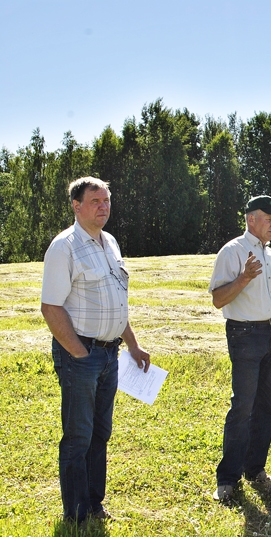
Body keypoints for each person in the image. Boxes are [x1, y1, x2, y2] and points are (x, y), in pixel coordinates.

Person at [41, 177, 151, 523]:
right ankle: (75, 514)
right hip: (83, 356)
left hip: (111, 353)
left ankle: (94, 503)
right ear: (76, 206)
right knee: (78, 436)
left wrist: (132, 344)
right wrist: (79, 353)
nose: (103, 207)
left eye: (106, 201)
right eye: (95, 201)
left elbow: (116, 301)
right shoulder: (65, 247)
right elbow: (51, 307)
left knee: (101, 432)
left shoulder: (111, 243)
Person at [209, 195, 271, 502]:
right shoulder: (232, 252)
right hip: (244, 334)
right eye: (269, 220)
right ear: (251, 219)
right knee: (242, 407)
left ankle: (255, 468)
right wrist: (244, 277)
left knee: (267, 407)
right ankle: (227, 479)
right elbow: (219, 299)